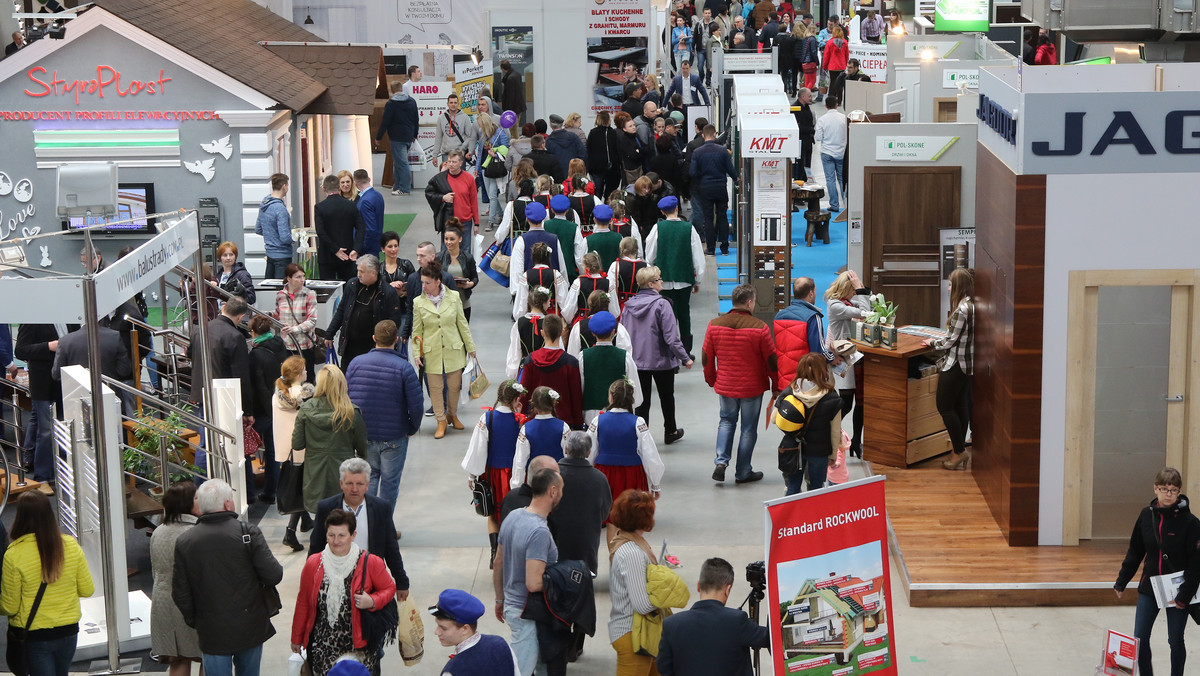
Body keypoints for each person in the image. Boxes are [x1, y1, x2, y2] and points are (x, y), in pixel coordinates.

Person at [173, 479, 283, 676]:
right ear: (227, 504)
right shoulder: (247, 533)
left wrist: (196, 620)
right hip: (250, 626)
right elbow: (273, 575)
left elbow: (180, 591)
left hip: (212, 631)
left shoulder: (185, 541)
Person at [1114, 467, 1200, 676]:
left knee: (1175, 640)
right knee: (1140, 637)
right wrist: (1122, 581)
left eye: (1173, 490)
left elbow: (1196, 563)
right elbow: (1135, 550)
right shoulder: (1146, 516)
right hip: (1150, 587)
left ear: (1179, 492)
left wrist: (1184, 596)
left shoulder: (1191, 522)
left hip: (1178, 590)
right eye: (1163, 488)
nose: (1168, 494)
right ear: (1155, 489)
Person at [291, 508, 397, 676]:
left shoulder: (371, 562)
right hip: (323, 646)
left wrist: (373, 601)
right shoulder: (314, 563)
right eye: (331, 535)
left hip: (360, 647)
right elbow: (303, 601)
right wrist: (297, 638)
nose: (336, 541)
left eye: (341, 535)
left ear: (353, 535)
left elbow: (390, 588)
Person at [0, 491, 94, 676]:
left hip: (35, 635)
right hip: (69, 632)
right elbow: (87, 589)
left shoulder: (14, 554)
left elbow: (9, 607)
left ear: (20, 517)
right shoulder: (71, 546)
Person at [703, 284, 777, 484]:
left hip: (726, 385)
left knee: (726, 421)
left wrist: (711, 379)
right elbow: (771, 360)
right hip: (752, 388)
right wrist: (776, 385)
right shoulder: (760, 328)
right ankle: (743, 471)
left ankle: (721, 461)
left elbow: (707, 358)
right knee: (748, 428)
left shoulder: (714, 325)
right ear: (750, 302)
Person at [493, 466, 563, 676]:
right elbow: (533, 583)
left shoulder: (513, 516)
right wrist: (564, 580)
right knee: (521, 670)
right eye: (561, 489)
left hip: (514, 607)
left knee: (541, 665)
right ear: (552, 491)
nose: (562, 494)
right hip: (528, 613)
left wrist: (500, 599)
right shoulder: (539, 531)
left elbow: (498, 562)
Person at [346, 320, 423, 512]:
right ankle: (384, 527)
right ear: (396, 340)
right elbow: (416, 405)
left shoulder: (355, 363)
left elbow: (346, 399)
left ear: (374, 338)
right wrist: (411, 428)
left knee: (369, 480)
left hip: (365, 435)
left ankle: (367, 524)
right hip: (394, 436)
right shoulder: (404, 368)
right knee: (390, 484)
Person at [552, 431, 611, 661]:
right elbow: (605, 512)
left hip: (555, 547)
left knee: (556, 594)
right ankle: (576, 644)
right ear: (588, 452)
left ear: (566, 449)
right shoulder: (599, 479)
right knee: (581, 595)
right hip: (586, 548)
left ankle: (559, 638)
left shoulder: (553, 476)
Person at [657, 557, 770, 676]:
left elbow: (663, 668)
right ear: (728, 589)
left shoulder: (671, 625)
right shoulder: (736, 621)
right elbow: (770, 638)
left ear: (698, 586)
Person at [310, 457, 411, 584]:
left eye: (360, 484)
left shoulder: (381, 508)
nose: (354, 489)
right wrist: (311, 580)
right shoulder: (326, 508)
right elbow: (316, 546)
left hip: (371, 578)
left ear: (367, 485)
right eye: (349, 483)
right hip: (335, 579)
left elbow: (391, 548)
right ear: (341, 484)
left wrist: (401, 581)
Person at [622, 266, 692, 445]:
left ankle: (642, 435)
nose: (662, 281)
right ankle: (671, 431)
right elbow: (671, 337)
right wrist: (685, 357)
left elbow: (623, 334)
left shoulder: (628, 306)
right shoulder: (662, 304)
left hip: (637, 360)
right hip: (661, 360)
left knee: (641, 401)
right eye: (659, 279)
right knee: (667, 397)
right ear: (651, 284)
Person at [463, 380, 526, 567]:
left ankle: (494, 554)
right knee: (514, 514)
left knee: (493, 514)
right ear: (516, 399)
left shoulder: (487, 418)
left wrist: (472, 475)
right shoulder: (521, 420)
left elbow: (478, 448)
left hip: (492, 474)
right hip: (514, 473)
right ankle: (513, 555)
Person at [412, 261, 478, 439]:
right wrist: (417, 353)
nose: (423, 286)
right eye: (422, 282)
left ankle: (452, 414)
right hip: (431, 351)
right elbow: (417, 331)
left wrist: (470, 347)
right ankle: (440, 420)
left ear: (438, 281)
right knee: (435, 388)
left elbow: (462, 324)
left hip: (453, 349)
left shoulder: (454, 297)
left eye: (427, 282)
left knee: (455, 387)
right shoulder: (418, 302)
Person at [292, 365, 369, 514]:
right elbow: (362, 449)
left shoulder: (306, 410)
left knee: (320, 519)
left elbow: (297, 444)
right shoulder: (351, 412)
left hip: (314, 476)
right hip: (343, 475)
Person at [923, 267, 975, 470]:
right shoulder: (972, 305)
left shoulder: (961, 310)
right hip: (967, 365)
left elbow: (949, 342)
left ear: (958, 286)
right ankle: (957, 450)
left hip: (955, 364)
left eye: (951, 284)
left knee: (944, 407)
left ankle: (959, 451)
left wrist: (931, 343)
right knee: (960, 406)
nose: (948, 287)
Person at [606, 489, 661, 674]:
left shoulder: (624, 543)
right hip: (634, 635)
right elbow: (642, 604)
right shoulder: (633, 554)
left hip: (639, 633)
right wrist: (667, 593)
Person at [150, 482, 203, 676]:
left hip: (162, 602)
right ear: (186, 504)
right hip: (191, 603)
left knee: (178, 659)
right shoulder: (196, 532)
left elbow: (155, 570)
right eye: (197, 498)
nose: (201, 501)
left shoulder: (158, 532)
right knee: (208, 656)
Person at [645, 196, 705, 354]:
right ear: (677, 208)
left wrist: (652, 274)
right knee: (684, 314)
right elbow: (698, 257)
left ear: (662, 211)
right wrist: (697, 280)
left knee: (666, 317)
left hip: (663, 281)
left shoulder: (658, 228)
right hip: (684, 279)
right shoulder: (689, 228)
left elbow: (650, 255)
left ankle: (668, 350)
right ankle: (685, 351)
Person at [587, 380, 662, 505]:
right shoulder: (638, 422)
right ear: (631, 399)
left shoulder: (597, 420)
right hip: (632, 474)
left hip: (605, 473)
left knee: (609, 512)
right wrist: (655, 483)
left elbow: (589, 450)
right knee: (631, 512)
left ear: (611, 397)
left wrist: (587, 474)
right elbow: (650, 455)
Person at [324, 255, 404, 369]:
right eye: (358, 270)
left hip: (374, 348)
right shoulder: (352, 285)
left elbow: (394, 322)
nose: (358, 274)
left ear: (373, 272)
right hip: (350, 346)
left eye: (362, 271)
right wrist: (330, 333)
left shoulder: (388, 292)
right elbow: (341, 311)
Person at [824, 270, 871, 457]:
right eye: (853, 290)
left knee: (859, 401)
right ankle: (826, 431)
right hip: (843, 358)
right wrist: (860, 289)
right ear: (847, 289)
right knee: (846, 402)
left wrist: (862, 289)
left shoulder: (847, 301)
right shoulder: (836, 305)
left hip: (854, 356)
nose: (855, 294)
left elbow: (871, 302)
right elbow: (866, 313)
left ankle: (856, 441)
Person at [782, 352, 843, 495]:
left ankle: (792, 516)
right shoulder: (832, 397)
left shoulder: (790, 391)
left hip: (793, 448)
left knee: (792, 487)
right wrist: (833, 455)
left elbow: (775, 418)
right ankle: (813, 516)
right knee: (816, 491)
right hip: (819, 451)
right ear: (823, 370)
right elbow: (835, 431)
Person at [274, 355, 316, 551]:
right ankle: (290, 531)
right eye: (305, 370)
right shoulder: (305, 395)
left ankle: (305, 521)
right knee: (301, 489)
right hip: (301, 448)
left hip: (284, 450)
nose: (307, 372)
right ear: (299, 374)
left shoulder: (277, 394)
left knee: (296, 486)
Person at [247, 314, 289, 505]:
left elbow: (259, 387)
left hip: (262, 411)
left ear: (254, 332)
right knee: (274, 452)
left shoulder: (255, 355)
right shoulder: (281, 346)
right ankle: (272, 492)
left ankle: (248, 493)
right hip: (280, 407)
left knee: (247, 450)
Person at [14, 324, 62, 483]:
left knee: (62, 428)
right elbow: (20, 350)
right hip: (43, 384)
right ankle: (43, 477)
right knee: (46, 430)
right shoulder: (33, 319)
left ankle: (60, 472)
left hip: (68, 382)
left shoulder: (71, 316)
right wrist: (48, 346)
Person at [432, 589, 521, 675]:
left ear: (465, 629)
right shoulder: (501, 644)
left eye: (443, 628)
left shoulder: (453, 670)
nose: (436, 632)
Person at [518, 316, 584, 430]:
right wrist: (578, 424)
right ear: (562, 332)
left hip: (536, 421)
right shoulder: (571, 363)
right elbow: (576, 397)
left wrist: (521, 417)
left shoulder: (530, 360)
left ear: (542, 333)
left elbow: (524, 393)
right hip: (564, 423)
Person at [579, 311, 641, 422]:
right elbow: (634, 390)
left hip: (592, 414)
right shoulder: (624, 357)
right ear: (613, 332)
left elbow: (580, 387)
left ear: (593, 333)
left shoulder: (583, 357)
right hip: (620, 413)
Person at [773, 276, 832, 388]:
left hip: (784, 380)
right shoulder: (813, 317)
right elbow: (818, 352)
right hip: (806, 381)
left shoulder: (778, 316)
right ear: (811, 293)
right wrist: (833, 357)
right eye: (815, 291)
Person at [689, 124, 737, 255]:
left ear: (703, 135)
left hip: (705, 188)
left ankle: (710, 248)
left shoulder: (697, 152)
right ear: (715, 134)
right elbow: (730, 170)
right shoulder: (722, 150)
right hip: (721, 187)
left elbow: (692, 172)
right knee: (722, 216)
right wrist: (736, 178)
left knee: (708, 218)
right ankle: (725, 247)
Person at [511, 387, 572, 489]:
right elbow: (569, 457)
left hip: (536, 482)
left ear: (533, 404)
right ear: (553, 403)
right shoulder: (563, 427)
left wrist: (516, 486)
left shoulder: (526, 429)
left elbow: (519, 462)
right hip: (557, 481)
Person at [424, 150, 481, 257]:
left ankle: (465, 274)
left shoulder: (469, 178)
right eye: (449, 161)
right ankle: (445, 274)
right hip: (448, 222)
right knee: (445, 253)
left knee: (465, 252)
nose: (451, 164)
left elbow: (474, 201)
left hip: (465, 222)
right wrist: (442, 198)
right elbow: (429, 193)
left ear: (461, 163)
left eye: (454, 162)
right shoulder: (440, 179)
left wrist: (476, 223)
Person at [376, 81, 419, 196]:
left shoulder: (391, 104)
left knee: (403, 163)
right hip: (409, 136)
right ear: (401, 88)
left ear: (392, 90)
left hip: (396, 137)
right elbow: (416, 119)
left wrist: (378, 137)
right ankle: (397, 186)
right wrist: (415, 134)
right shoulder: (412, 101)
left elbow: (385, 122)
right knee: (398, 162)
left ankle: (404, 189)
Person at [568, 291, 634, 358]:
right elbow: (627, 356)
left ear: (590, 306)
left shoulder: (578, 327)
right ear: (608, 305)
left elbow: (573, 355)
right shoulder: (618, 327)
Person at [513, 242, 569, 320]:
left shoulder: (526, 275)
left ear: (533, 257)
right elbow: (563, 300)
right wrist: (566, 319)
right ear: (548, 257)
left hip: (532, 317)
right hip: (553, 317)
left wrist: (519, 318)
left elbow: (522, 300)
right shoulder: (556, 274)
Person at [507, 287, 552, 379]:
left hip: (525, 369)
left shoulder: (519, 323)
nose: (550, 303)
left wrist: (513, 374)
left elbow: (515, 351)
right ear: (544, 303)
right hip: (546, 369)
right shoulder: (550, 323)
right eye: (548, 301)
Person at [438, 222, 479, 322]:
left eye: (452, 239)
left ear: (460, 239)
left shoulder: (468, 258)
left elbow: (475, 277)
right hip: (443, 304)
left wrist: (470, 284)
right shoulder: (438, 257)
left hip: (463, 303)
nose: (448, 242)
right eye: (446, 239)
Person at [255, 173, 293, 279]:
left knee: (269, 289)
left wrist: (270, 235)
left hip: (269, 253)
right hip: (282, 255)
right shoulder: (280, 209)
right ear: (284, 186)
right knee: (281, 289)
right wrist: (295, 236)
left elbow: (258, 229)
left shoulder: (264, 204)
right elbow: (285, 237)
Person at [564, 252, 620, 324]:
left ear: (587, 268)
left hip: (582, 321)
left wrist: (568, 321)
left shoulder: (578, 282)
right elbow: (614, 311)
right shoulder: (608, 283)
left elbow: (570, 307)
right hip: (603, 321)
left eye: (582, 265)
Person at [814, 95, 847, 212]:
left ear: (826, 106)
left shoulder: (822, 119)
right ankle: (846, 204)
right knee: (842, 179)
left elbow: (817, 137)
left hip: (827, 152)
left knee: (830, 179)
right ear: (837, 104)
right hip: (841, 152)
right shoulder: (844, 118)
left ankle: (834, 205)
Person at [543, 195, 587, 282]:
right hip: (569, 271)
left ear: (552, 210)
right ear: (567, 210)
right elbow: (579, 254)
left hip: (548, 271)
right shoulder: (574, 227)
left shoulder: (545, 225)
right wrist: (582, 272)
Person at [433, 93, 477, 164]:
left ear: (458, 104)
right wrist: (435, 155)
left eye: (455, 103)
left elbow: (470, 136)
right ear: (447, 104)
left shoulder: (465, 117)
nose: (453, 104)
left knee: (460, 175)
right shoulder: (441, 118)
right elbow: (438, 137)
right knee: (446, 175)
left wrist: (462, 147)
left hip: (459, 154)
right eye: (451, 103)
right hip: (446, 153)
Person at [587, 112, 622, 199]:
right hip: (611, 167)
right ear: (608, 120)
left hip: (596, 167)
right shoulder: (612, 133)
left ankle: (597, 209)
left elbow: (588, 149)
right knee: (610, 192)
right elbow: (617, 150)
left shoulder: (592, 133)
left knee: (598, 190)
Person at [608, 237, 647, 312]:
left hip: (621, 306)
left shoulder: (616, 265)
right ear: (636, 249)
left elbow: (611, 288)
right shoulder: (646, 266)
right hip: (641, 307)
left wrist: (614, 311)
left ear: (621, 248)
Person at [353, 170, 385, 259]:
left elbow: (369, 228)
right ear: (369, 179)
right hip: (375, 243)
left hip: (367, 248)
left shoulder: (364, 201)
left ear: (355, 182)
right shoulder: (378, 195)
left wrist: (360, 247)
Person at [546, 114, 588, 181]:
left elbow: (548, 161)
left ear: (550, 125)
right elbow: (583, 154)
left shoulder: (549, 141)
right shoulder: (573, 137)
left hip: (557, 175)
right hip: (574, 174)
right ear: (562, 124)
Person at [793, 87, 815, 180]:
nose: (811, 98)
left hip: (808, 141)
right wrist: (811, 130)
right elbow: (797, 126)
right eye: (809, 96)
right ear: (802, 96)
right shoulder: (794, 108)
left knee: (807, 164)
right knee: (801, 164)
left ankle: (806, 180)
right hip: (800, 141)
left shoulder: (807, 107)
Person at [822, 26, 848, 103]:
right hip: (841, 65)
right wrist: (845, 64)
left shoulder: (829, 42)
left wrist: (824, 66)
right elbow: (846, 55)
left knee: (833, 82)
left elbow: (826, 56)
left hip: (832, 66)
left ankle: (831, 100)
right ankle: (839, 100)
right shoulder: (845, 42)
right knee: (840, 84)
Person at [499, 59, 527, 124]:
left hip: (513, 109)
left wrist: (509, 112)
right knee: (515, 127)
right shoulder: (517, 74)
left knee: (513, 129)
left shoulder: (510, 79)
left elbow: (510, 96)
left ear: (503, 69)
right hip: (519, 107)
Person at [799, 25, 820, 93]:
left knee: (807, 80)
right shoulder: (813, 39)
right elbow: (813, 52)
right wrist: (817, 62)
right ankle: (806, 95)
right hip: (811, 62)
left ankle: (804, 95)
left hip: (804, 62)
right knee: (813, 80)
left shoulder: (805, 39)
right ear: (813, 30)